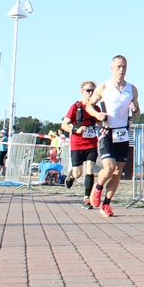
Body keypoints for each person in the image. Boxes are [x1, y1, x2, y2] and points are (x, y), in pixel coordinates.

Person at [85, 56, 142, 217]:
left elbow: (137, 114)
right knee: (109, 167)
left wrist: (135, 108)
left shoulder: (132, 89)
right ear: (111, 68)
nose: (121, 69)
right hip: (107, 131)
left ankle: (107, 204)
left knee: (118, 171)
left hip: (122, 132)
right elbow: (89, 106)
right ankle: (98, 187)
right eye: (118, 66)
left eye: (124, 66)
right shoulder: (104, 87)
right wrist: (98, 114)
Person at [61, 81, 100, 209]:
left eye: (92, 91)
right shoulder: (75, 107)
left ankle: (86, 198)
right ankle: (71, 175)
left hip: (91, 143)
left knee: (90, 170)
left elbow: (102, 122)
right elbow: (64, 124)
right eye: (88, 90)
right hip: (77, 144)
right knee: (78, 173)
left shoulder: (97, 109)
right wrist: (75, 130)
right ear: (82, 92)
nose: (90, 93)